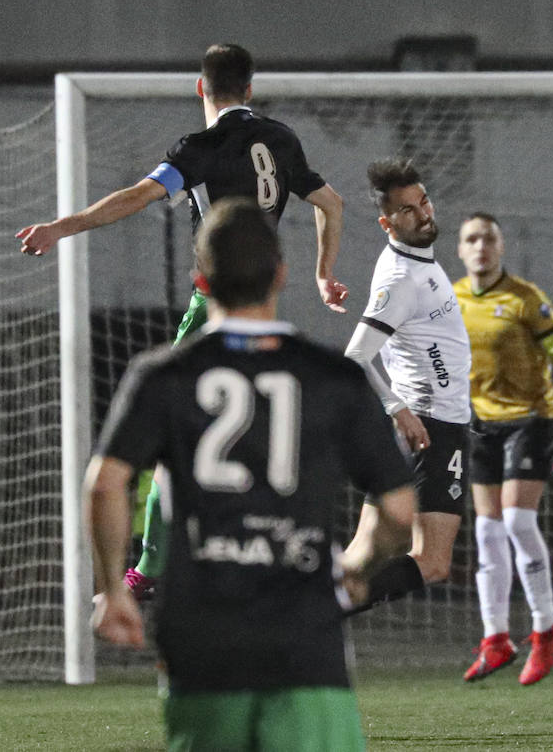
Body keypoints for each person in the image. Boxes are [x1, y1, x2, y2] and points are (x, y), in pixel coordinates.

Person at [19, 43, 349, 599]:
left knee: (168, 432)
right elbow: (332, 203)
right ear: (249, 89)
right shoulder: (282, 138)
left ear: (201, 88)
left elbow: (139, 196)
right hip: (267, 307)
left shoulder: (201, 148)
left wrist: (61, 227)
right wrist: (323, 273)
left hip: (212, 308)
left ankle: (148, 569)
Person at [85, 198, 415, 752]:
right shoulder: (332, 376)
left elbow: (104, 484)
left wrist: (113, 589)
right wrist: (356, 568)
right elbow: (400, 510)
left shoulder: (161, 374)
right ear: (281, 275)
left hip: (200, 637)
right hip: (304, 635)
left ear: (202, 282)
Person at [453, 212, 553, 686]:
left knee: (517, 521)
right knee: (486, 535)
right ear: (461, 250)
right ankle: (496, 640)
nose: (481, 246)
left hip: (532, 421)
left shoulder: (526, 299)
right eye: (472, 239)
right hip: (480, 426)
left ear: (500, 247)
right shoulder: (452, 297)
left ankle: (546, 631)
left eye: (489, 238)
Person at [342, 158, 473, 612]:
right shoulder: (401, 279)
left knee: (361, 557)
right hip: (431, 430)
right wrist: (399, 407)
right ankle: (316, 611)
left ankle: (292, 618)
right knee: (433, 562)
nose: (424, 214)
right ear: (386, 222)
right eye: (409, 210)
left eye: (424, 202)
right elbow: (356, 356)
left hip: (431, 423)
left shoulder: (415, 262)